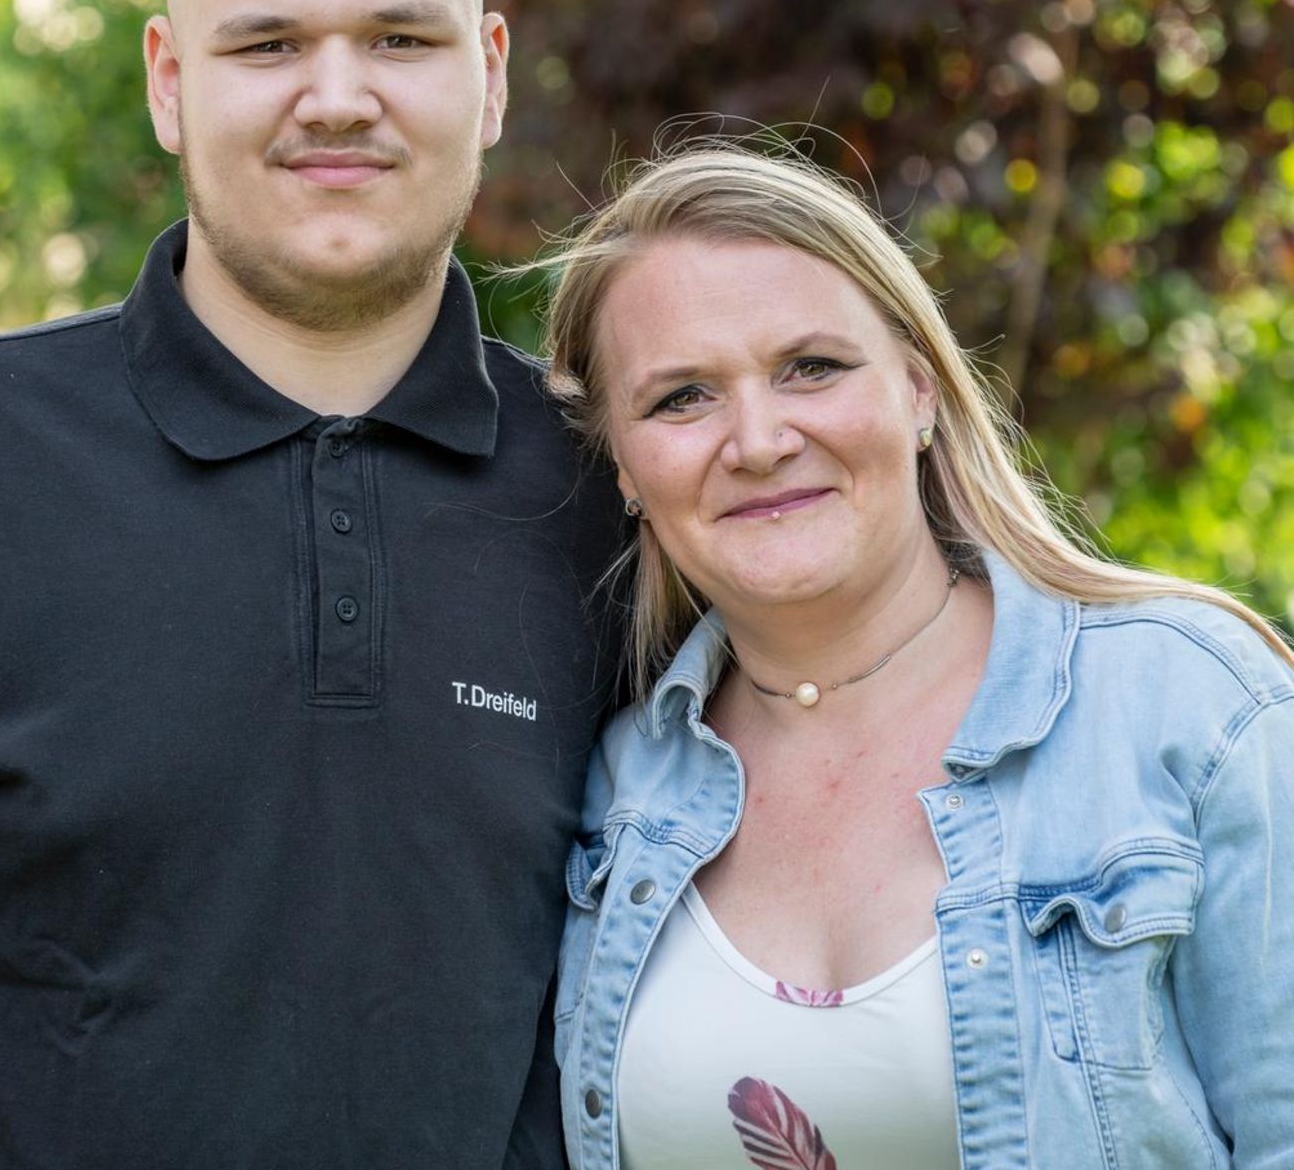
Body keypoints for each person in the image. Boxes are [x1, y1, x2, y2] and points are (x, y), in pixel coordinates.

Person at [0, 0, 624, 1168]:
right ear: (167, 79)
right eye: (267, 43)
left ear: (489, 72)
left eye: (401, 37)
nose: (337, 95)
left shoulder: (616, 494)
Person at [537, 144, 1294, 1169]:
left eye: (812, 367)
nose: (759, 440)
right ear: (622, 465)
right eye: (682, 398)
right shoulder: (612, 785)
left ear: (920, 388)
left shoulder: (1191, 712)